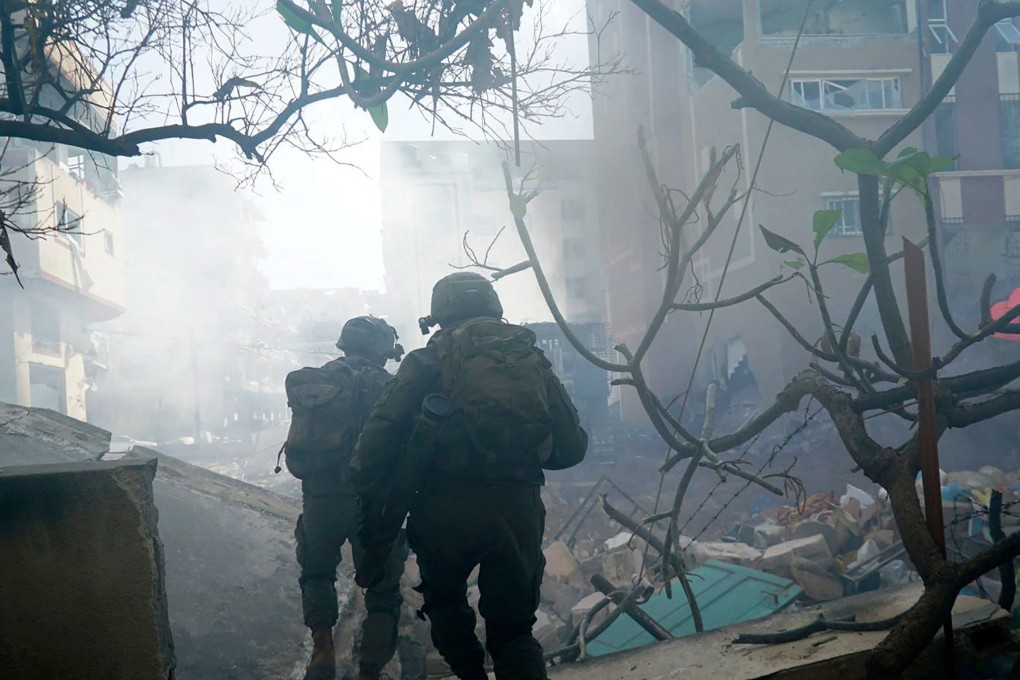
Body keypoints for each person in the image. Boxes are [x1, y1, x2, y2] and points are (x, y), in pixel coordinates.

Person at [351, 273, 588, 680]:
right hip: (517, 508)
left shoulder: (427, 360)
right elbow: (571, 449)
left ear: (440, 313)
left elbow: (373, 444)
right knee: (515, 631)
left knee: (445, 605)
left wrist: (374, 494)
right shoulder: (529, 359)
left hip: (443, 509)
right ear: (493, 305)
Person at [283, 316, 409, 680]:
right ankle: (369, 671)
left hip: (320, 497)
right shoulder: (390, 385)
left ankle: (323, 647)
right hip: (371, 502)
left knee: (317, 573)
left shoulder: (318, 383)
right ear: (382, 349)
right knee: (383, 590)